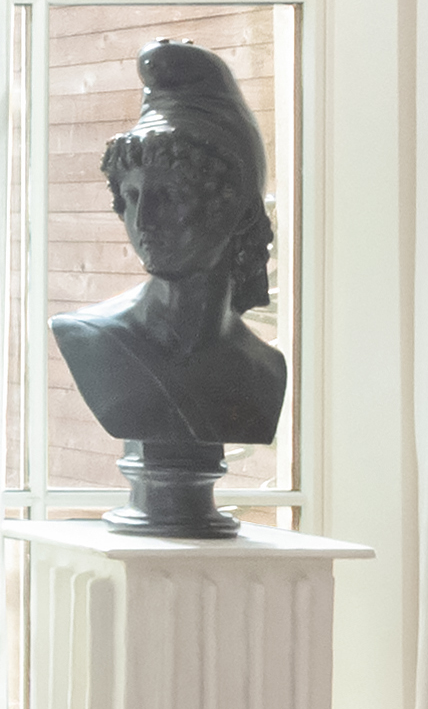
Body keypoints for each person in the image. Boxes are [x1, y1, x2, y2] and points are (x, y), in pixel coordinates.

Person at [50, 41, 288, 543]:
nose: (143, 221)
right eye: (132, 196)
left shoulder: (264, 373)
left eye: (169, 195)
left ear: (237, 211)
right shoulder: (90, 338)